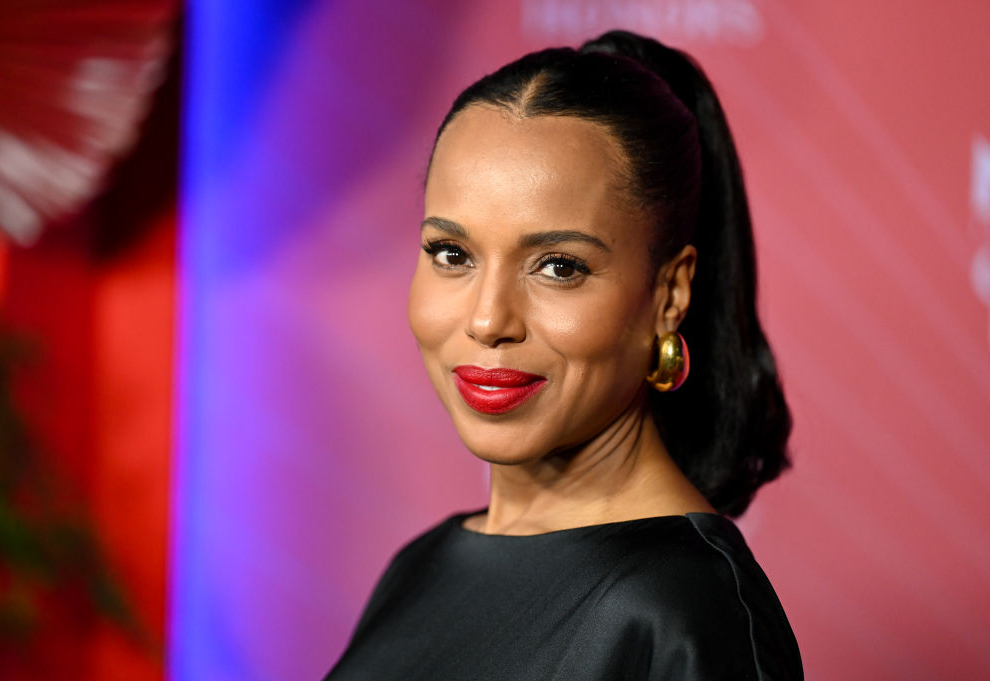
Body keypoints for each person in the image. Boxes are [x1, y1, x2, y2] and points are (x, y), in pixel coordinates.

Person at [325, 30, 802, 680]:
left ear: (669, 292)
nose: (489, 318)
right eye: (452, 254)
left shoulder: (686, 612)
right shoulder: (422, 565)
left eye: (558, 266)